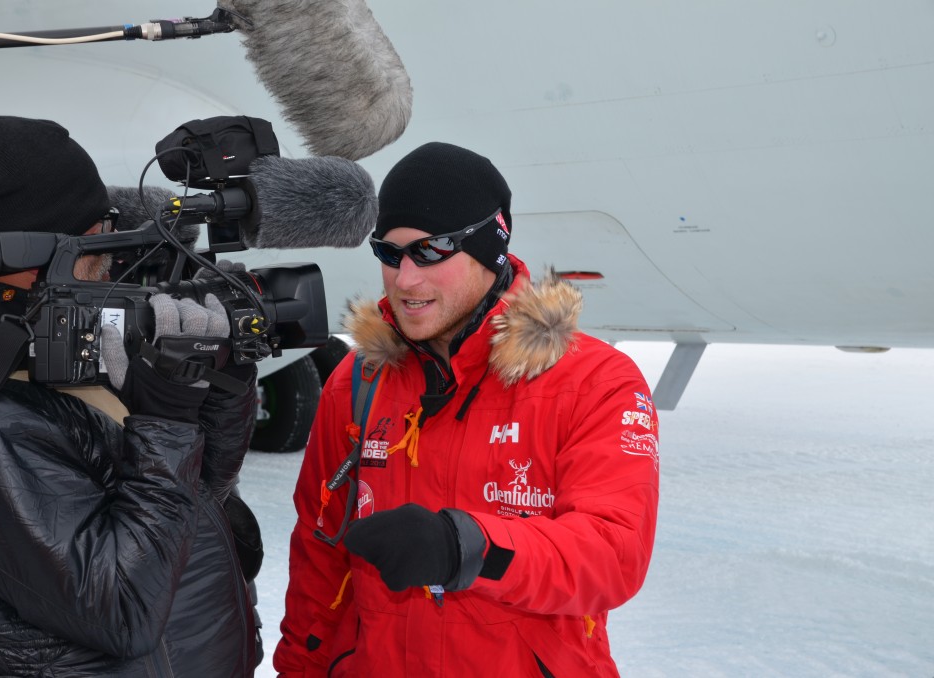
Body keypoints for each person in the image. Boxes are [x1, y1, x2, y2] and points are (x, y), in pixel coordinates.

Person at [275, 142, 660, 677]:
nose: (405, 279)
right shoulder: (358, 381)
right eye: (389, 254)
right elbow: (319, 560)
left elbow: (612, 555)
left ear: (489, 248)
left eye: (431, 251)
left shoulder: (594, 382)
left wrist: (470, 547)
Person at [0, 115, 261, 676]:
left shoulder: (58, 348)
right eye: (100, 226)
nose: (112, 244)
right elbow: (122, 609)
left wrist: (218, 379)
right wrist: (165, 420)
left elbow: (201, 491)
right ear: (26, 255)